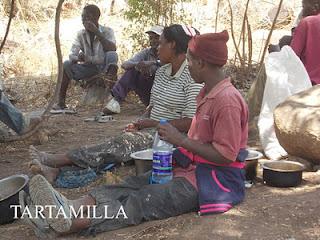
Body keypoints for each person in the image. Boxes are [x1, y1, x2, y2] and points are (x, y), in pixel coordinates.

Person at [20, 30, 249, 238]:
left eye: (189, 60)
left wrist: (181, 140)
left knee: (143, 200)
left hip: (212, 180)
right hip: (191, 167)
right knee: (132, 183)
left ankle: (74, 223)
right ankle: (72, 205)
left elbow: (226, 155)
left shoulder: (226, 101)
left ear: (201, 62)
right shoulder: (207, 93)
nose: (187, 65)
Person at [29, 24, 202, 184]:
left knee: (119, 146)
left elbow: (190, 122)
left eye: (161, 43)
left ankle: (60, 160)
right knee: (116, 148)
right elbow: (152, 107)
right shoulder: (163, 71)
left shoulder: (191, 75)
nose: (157, 48)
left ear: (172, 45)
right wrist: (139, 122)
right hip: (154, 131)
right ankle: (57, 172)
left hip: (173, 137)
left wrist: (155, 124)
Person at [54, 4, 118, 110]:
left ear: (96, 18)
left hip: (104, 67)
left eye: (87, 17)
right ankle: (61, 102)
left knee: (112, 55)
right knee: (66, 64)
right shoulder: (81, 34)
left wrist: (97, 32)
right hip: (89, 68)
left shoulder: (107, 31)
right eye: (82, 17)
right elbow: (72, 54)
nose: (83, 20)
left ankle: (110, 95)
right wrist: (78, 58)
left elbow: (112, 48)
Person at [104, 26, 164, 114]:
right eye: (151, 38)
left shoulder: (169, 53)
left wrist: (153, 63)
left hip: (163, 94)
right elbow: (125, 65)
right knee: (133, 70)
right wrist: (139, 65)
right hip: (148, 92)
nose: (153, 41)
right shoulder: (146, 52)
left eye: (157, 37)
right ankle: (116, 101)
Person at [290, 0, 320, 85]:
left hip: (311, 85)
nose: (303, 11)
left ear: (316, 6)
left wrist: (275, 51)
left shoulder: (308, 22)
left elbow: (291, 58)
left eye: (303, 7)